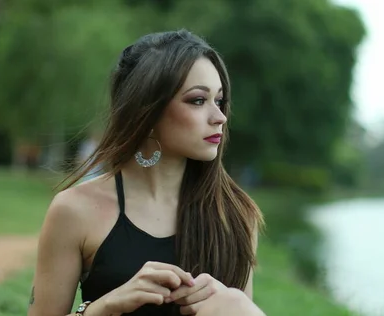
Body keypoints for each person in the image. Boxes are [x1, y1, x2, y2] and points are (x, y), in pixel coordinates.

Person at [28, 29, 264, 316]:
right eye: (198, 101)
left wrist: (238, 308)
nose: (220, 117)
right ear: (148, 111)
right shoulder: (75, 210)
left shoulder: (236, 215)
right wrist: (103, 307)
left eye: (220, 100)